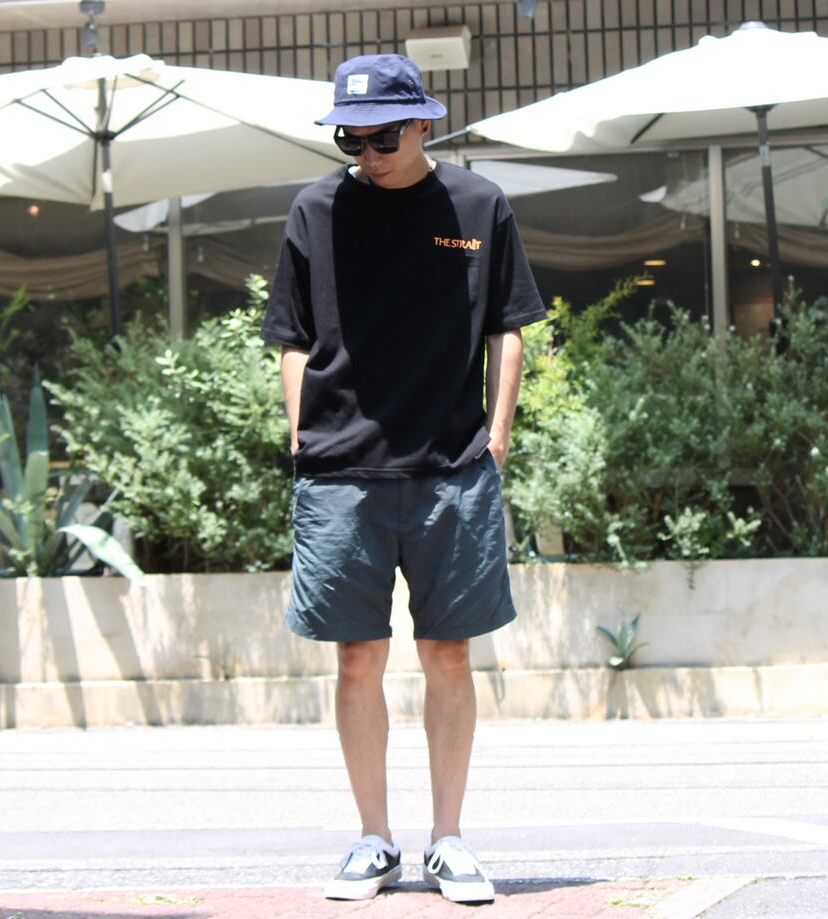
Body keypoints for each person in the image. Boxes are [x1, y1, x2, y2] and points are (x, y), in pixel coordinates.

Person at [261, 53, 547, 904]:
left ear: (424, 122)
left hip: (451, 467)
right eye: (349, 139)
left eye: (382, 137)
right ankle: (373, 839)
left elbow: (508, 326)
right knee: (357, 656)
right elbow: (292, 337)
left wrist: (497, 435)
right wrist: (301, 432)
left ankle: (448, 839)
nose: (367, 154)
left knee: (448, 652)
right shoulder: (316, 210)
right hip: (340, 470)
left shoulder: (478, 205)